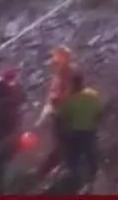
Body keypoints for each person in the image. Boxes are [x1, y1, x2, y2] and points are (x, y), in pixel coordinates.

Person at [56, 72, 102, 189]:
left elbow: (62, 116)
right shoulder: (93, 95)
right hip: (89, 131)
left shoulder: (69, 98)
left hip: (74, 133)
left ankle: (74, 181)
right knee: (90, 155)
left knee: (73, 157)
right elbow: (99, 113)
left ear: (73, 83)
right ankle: (93, 179)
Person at [37, 45, 77, 174]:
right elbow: (52, 93)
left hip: (66, 112)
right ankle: (62, 163)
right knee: (58, 138)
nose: (54, 60)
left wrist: (59, 101)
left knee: (65, 138)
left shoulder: (70, 73)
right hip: (57, 111)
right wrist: (45, 111)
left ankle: (68, 165)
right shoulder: (58, 74)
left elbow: (71, 92)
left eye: (57, 57)